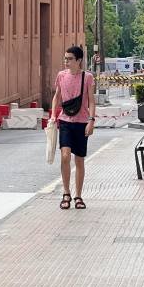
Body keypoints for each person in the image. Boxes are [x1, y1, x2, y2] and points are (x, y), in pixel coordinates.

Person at [51, 46, 95, 210]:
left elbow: (91, 100)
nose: (66, 62)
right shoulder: (61, 76)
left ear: (78, 60)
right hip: (65, 121)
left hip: (82, 121)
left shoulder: (87, 77)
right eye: (65, 58)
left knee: (79, 160)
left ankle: (78, 195)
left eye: (69, 59)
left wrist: (91, 120)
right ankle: (66, 192)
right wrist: (54, 115)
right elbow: (57, 96)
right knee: (65, 155)